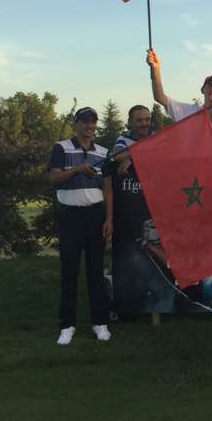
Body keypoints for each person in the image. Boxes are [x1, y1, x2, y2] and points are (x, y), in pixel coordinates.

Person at [46, 107, 112, 345]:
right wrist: (75, 170)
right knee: (69, 272)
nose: (89, 127)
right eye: (85, 123)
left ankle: (100, 323)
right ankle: (67, 325)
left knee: (96, 271)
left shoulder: (103, 151)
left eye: (93, 123)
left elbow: (107, 188)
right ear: (75, 124)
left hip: (95, 215)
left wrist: (109, 219)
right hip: (70, 216)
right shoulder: (61, 148)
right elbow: (53, 178)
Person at [105, 104, 155, 317]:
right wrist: (130, 156)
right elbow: (116, 155)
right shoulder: (123, 138)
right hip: (129, 214)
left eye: (146, 119)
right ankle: (128, 307)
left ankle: (155, 302)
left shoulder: (157, 135)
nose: (144, 123)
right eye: (139, 120)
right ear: (131, 122)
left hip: (155, 209)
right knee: (130, 262)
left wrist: (132, 158)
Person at [145, 48, 212, 139]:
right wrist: (156, 68)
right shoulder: (189, 111)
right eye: (209, 84)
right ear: (202, 89)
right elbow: (160, 97)